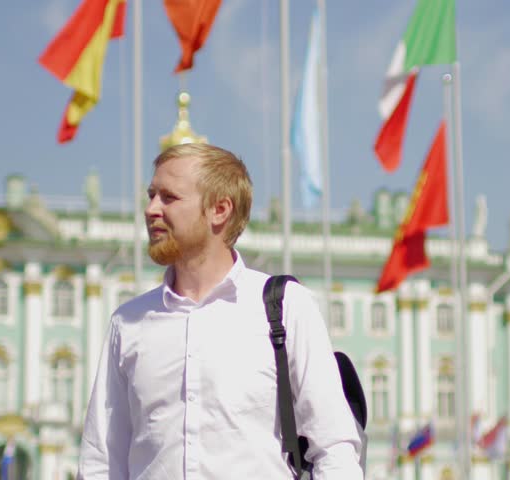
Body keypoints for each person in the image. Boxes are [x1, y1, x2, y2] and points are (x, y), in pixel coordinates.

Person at [78, 143, 363, 479]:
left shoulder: (285, 307)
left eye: (169, 197)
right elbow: (102, 460)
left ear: (219, 210)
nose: (151, 209)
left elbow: (333, 447)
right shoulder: (128, 323)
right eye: (151, 195)